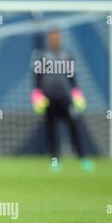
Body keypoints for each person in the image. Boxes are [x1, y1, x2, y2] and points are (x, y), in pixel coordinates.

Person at [31, 29, 94, 172]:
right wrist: (36, 94)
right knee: (51, 131)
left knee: (73, 128)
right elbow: (37, 78)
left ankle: (83, 159)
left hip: (65, 98)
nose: (55, 39)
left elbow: (72, 77)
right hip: (48, 100)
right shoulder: (41, 56)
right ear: (48, 38)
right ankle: (55, 161)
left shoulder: (67, 55)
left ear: (60, 38)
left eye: (57, 37)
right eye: (52, 37)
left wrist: (77, 93)